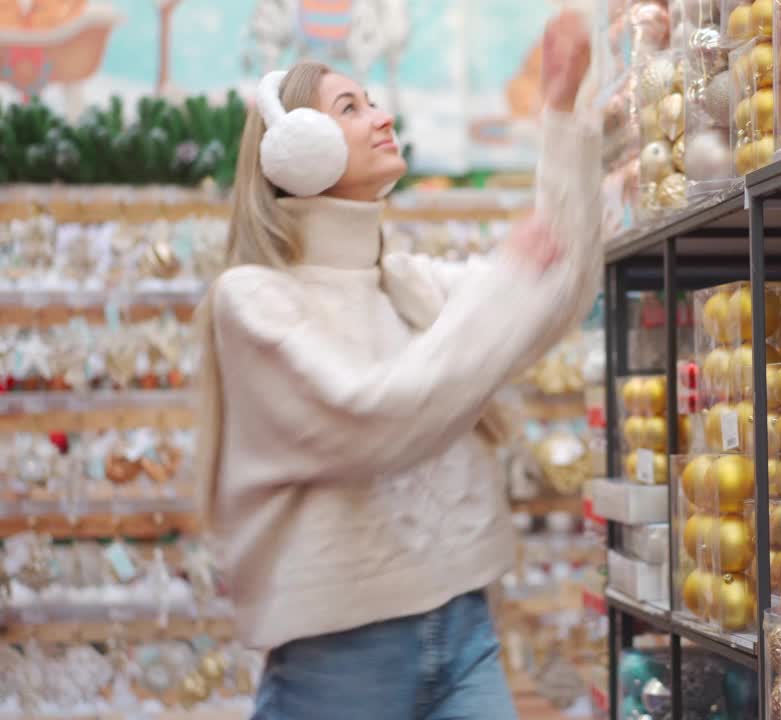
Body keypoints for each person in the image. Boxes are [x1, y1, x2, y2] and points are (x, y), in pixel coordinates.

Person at [194, 10, 599, 720]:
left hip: (465, 625)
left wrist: (561, 115)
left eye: (372, 100)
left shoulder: (407, 284)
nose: (383, 116)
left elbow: (555, 293)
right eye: (351, 107)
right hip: (337, 661)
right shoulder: (252, 301)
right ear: (296, 149)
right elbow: (375, 419)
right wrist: (508, 277)